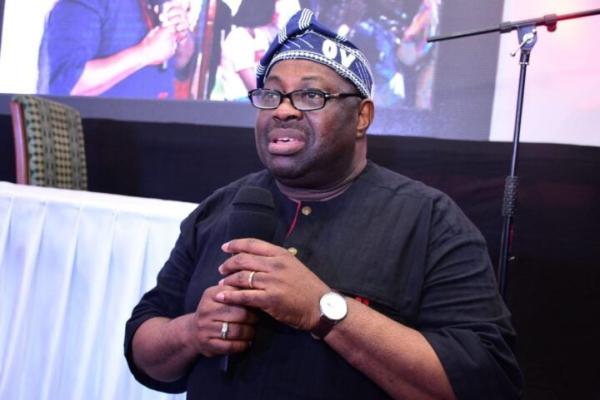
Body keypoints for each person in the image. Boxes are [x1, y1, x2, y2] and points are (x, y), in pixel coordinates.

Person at [124, 8, 523, 399]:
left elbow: (486, 382)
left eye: (310, 95)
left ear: (362, 116)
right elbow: (142, 348)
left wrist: (324, 309)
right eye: (271, 94)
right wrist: (191, 332)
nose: (283, 110)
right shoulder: (220, 208)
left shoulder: (430, 221)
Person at [37, 0, 196, 99]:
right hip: (99, 138)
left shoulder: (160, 2)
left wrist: (182, 37)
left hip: (153, 135)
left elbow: (179, 62)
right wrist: (145, 53)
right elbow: (70, 84)